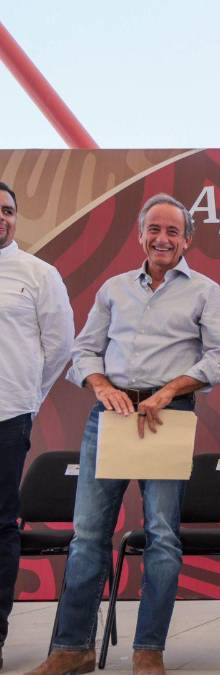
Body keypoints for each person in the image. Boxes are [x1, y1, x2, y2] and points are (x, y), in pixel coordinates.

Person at [27, 194, 220, 675]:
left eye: (173, 231)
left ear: (187, 240)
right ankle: (72, 648)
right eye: (154, 229)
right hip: (111, 416)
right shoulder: (113, 289)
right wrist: (100, 385)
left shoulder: (205, 291)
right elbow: (84, 351)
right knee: (87, 535)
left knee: (162, 535)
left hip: (168, 416)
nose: (162, 238)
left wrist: (169, 390)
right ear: (140, 235)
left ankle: (148, 650)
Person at [0, 181, 74, 670]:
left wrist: (27, 399)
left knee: (0, 526)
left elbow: (60, 346)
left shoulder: (38, 273)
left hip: (7, 417)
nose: (1, 217)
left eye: (8, 210)